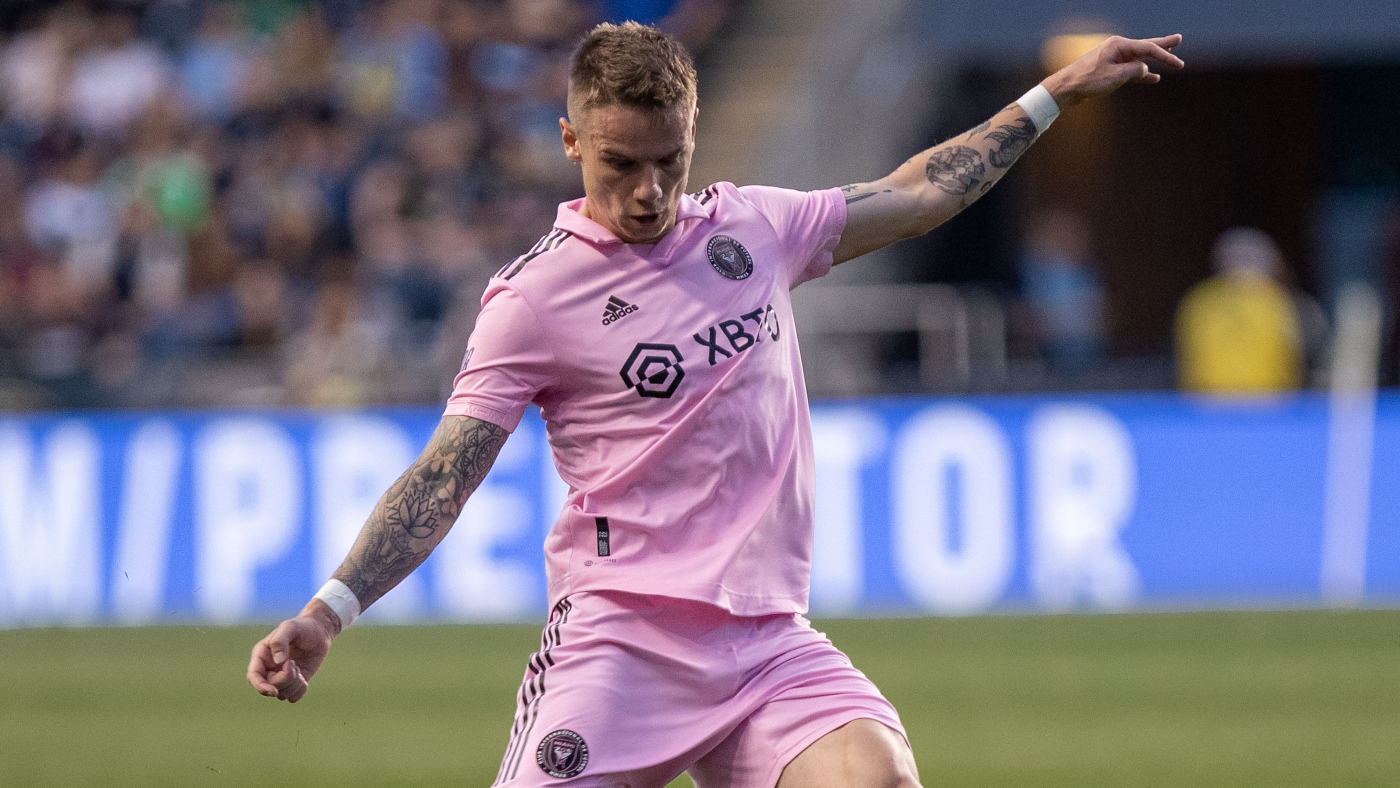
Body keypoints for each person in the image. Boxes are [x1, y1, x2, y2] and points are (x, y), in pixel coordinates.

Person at [248, 23, 1183, 788]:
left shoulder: (755, 227)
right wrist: (328, 612)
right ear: (571, 141)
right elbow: (444, 477)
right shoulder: (531, 301)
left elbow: (917, 194)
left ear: (693, 131)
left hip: (767, 641)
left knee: (878, 777)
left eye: (670, 161)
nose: (648, 192)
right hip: (620, 645)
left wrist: (1053, 94)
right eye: (620, 164)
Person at [1176, 227, 1304, 394]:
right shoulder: (1276, 300)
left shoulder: (1198, 299)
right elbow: (1294, 351)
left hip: (1209, 400)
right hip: (1266, 400)